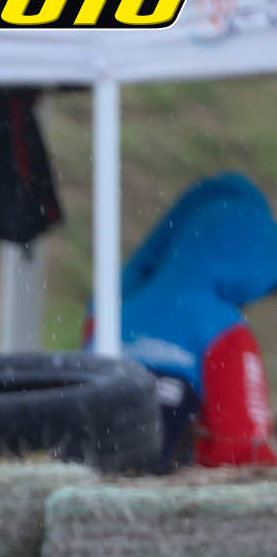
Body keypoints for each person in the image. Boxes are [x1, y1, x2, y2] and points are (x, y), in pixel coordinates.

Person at [109, 172, 277, 469]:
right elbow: (240, 449)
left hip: (98, 472)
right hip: (166, 488)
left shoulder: (113, 311)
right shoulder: (223, 329)